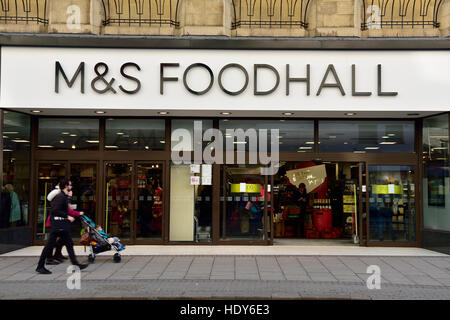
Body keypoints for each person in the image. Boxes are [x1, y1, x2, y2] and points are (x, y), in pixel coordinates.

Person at [36, 178, 88, 274]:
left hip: (61, 225)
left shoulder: (63, 196)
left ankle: (76, 265)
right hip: (58, 225)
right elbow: (54, 210)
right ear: (66, 186)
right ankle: (40, 266)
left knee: (69, 244)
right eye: (70, 185)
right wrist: (67, 216)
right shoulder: (61, 197)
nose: (71, 187)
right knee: (49, 246)